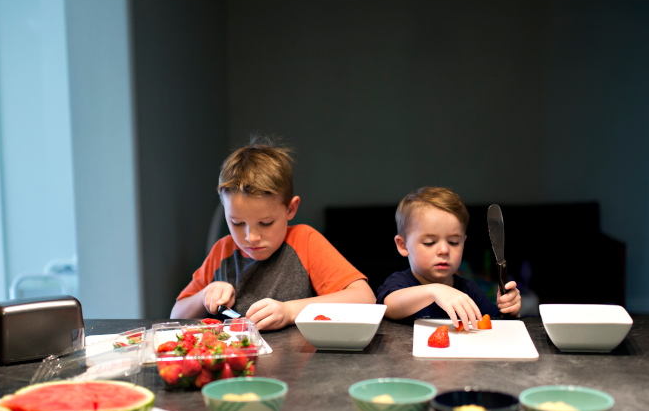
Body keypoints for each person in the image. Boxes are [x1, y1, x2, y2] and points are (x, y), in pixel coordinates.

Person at [171, 138, 375, 330]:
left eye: (266, 223)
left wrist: (289, 311)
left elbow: (365, 298)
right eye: (237, 223)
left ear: (290, 209)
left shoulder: (304, 241)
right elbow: (176, 315)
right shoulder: (222, 251)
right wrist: (205, 295)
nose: (251, 237)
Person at [377, 187, 521, 327]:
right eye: (429, 242)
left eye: (454, 242)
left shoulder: (468, 290)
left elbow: (495, 325)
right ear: (403, 245)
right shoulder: (399, 283)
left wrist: (510, 311)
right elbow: (389, 306)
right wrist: (434, 291)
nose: (444, 250)